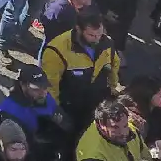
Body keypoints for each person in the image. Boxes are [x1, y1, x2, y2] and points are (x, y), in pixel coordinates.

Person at [41, 8, 120, 147]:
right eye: (91, 35)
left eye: (99, 34)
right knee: (68, 142)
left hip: (95, 102)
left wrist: (113, 88)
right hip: (70, 107)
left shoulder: (106, 42)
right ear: (78, 29)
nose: (97, 39)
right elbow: (50, 86)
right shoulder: (57, 50)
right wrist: (56, 112)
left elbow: (114, 65)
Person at [75, 98, 150, 161]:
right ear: (101, 125)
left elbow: (146, 156)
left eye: (125, 125)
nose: (123, 132)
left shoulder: (131, 130)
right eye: (115, 128)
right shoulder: (92, 155)